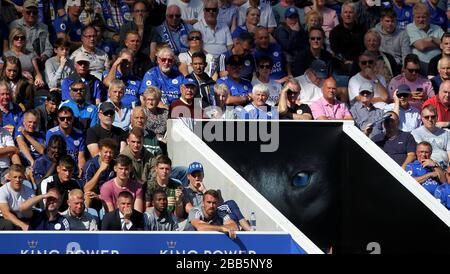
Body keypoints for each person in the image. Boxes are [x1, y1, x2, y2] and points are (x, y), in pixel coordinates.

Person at [9, 0, 53, 67]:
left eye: (34, 12)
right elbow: (10, 47)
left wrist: (44, 56)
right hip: (19, 63)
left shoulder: (44, 27)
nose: (31, 14)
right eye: (28, 12)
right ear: (23, 12)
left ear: (38, 13)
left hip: (39, 63)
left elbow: (49, 48)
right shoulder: (14, 25)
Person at [46, 106, 86, 177]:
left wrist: (81, 170)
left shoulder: (80, 134)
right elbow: (49, 155)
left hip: (72, 169)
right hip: (56, 169)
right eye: (62, 118)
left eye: (68, 118)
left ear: (73, 118)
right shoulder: (51, 133)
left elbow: (81, 157)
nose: (65, 120)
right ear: (58, 119)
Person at [329, 1, 366, 77]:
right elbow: (335, 52)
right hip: (342, 65)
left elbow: (364, 49)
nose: (348, 15)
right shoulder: (335, 32)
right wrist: (345, 61)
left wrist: (356, 62)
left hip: (360, 64)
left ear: (355, 14)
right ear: (341, 15)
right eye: (345, 12)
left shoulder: (362, 30)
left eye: (351, 12)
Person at [406, 2, 444, 74]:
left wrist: (432, 39)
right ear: (413, 17)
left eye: (423, 17)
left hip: (438, 63)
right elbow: (421, 46)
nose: (421, 20)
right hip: (421, 65)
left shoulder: (437, 28)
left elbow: (447, 44)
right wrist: (439, 43)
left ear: (429, 17)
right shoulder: (410, 27)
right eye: (418, 17)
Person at [83, 138, 117, 209]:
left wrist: (100, 196)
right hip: (93, 194)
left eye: (111, 152)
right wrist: (100, 170)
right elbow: (86, 188)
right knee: (87, 195)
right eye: (106, 152)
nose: (108, 155)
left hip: (109, 195)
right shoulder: (91, 164)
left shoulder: (115, 165)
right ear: (100, 151)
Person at [273, 7, 308, 74]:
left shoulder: (301, 29)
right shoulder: (282, 30)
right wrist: (294, 32)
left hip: (301, 58)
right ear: (286, 19)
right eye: (290, 17)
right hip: (288, 61)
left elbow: (305, 44)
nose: (293, 20)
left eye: (295, 17)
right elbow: (287, 46)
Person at [0, 164, 35, 230]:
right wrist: (23, 225)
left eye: (20, 177)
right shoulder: (2, 191)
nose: (18, 180)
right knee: (9, 224)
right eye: (15, 177)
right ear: (9, 177)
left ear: (24, 177)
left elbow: (30, 214)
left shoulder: (29, 191)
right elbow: (6, 214)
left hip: (23, 216)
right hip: (3, 218)